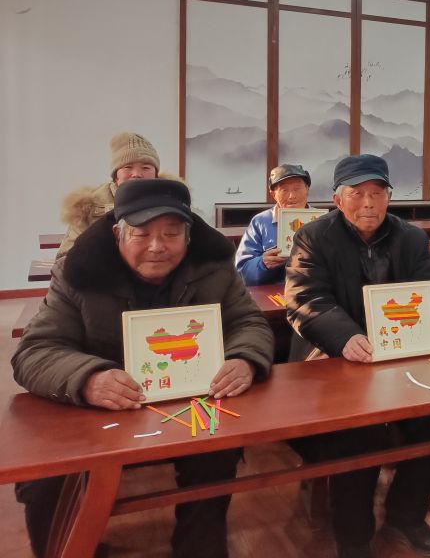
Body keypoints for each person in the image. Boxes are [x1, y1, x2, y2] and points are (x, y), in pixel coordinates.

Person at [12, 178, 275, 558]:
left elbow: (248, 323)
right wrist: (89, 379)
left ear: (188, 235)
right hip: (101, 407)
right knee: (45, 476)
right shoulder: (79, 272)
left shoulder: (214, 266)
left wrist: (244, 358)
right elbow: (36, 350)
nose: (157, 245)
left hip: (186, 399)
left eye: (171, 233)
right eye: (142, 233)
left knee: (216, 449)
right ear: (118, 233)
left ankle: (199, 547)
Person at [286, 154, 430, 558]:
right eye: (357, 193)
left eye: (377, 193)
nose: (368, 203)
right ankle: (353, 534)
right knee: (358, 429)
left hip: (398, 356)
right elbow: (305, 299)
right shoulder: (313, 237)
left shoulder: (410, 237)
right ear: (337, 199)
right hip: (334, 356)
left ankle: (407, 515)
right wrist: (345, 336)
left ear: (389, 197)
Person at [57, 131, 166, 257]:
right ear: (116, 175)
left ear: (156, 174)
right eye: (128, 167)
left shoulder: (171, 200)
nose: (136, 174)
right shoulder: (90, 205)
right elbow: (65, 257)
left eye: (146, 168)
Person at [235, 164, 312, 285]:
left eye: (297, 188)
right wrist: (262, 263)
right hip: (273, 292)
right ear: (273, 194)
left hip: (315, 291)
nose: (292, 196)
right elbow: (242, 271)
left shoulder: (323, 220)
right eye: (284, 190)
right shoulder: (260, 222)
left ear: (307, 189)